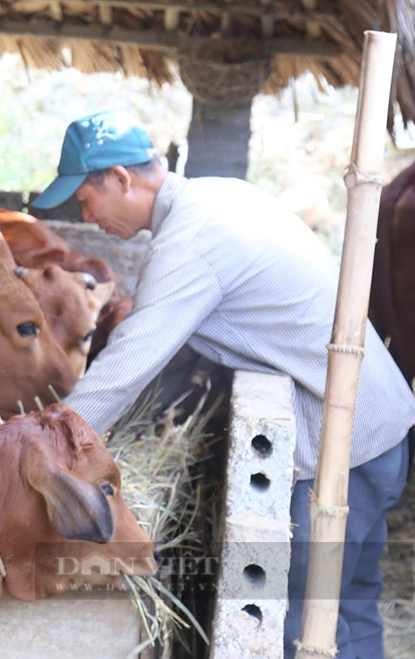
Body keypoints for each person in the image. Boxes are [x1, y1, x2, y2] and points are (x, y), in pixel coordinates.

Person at [32, 110, 415, 659]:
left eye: (84, 200)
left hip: (340, 458)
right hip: (381, 433)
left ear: (120, 179)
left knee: (304, 629)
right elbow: (174, 359)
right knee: (351, 609)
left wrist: (49, 442)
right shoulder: (219, 198)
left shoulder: (193, 238)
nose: (86, 218)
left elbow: (134, 357)